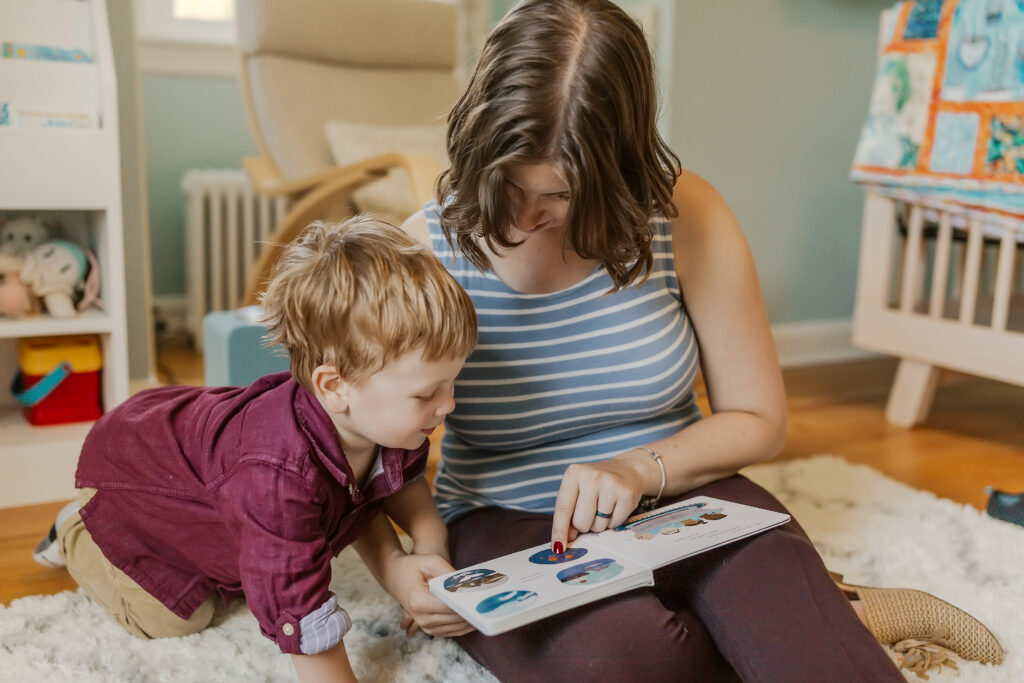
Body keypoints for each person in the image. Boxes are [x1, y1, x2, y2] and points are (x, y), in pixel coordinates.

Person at [398, 1, 1005, 680]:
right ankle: (835, 609)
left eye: (561, 195)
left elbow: (760, 419)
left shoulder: (685, 216)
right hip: (503, 510)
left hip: (684, 490)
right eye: (511, 184)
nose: (526, 215)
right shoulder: (425, 250)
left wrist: (638, 468)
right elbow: (355, 449)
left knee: (815, 662)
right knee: (630, 660)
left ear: (617, 169)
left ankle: (812, 617)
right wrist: (400, 565)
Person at [32, 217, 478, 683]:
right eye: (427, 393)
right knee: (176, 618)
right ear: (335, 387)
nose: (448, 404)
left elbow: (394, 486)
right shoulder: (276, 479)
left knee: (258, 562)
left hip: (197, 462)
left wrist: (425, 550)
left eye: (453, 383)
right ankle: (77, 529)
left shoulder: (383, 425)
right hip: (130, 476)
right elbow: (298, 610)